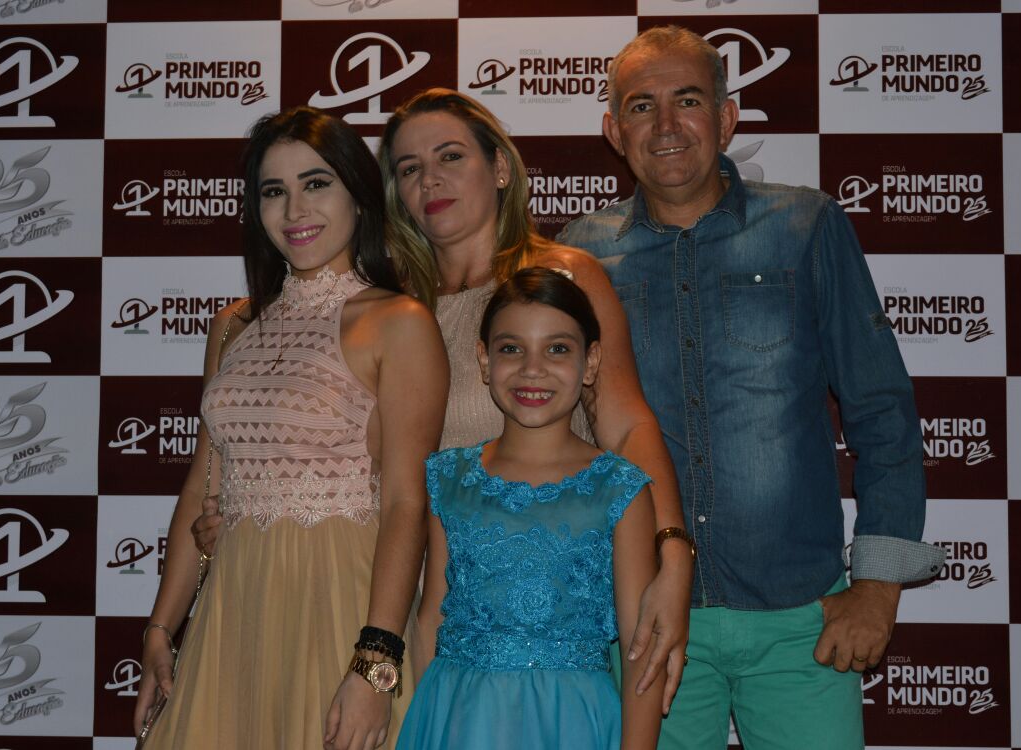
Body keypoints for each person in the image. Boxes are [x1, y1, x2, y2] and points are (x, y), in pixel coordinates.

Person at [195, 88, 695, 709]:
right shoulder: (388, 305)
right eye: (409, 168)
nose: (430, 179)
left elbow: (626, 428)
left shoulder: (563, 278)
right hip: (419, 610)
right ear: (393, 193)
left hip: (550, 617)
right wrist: (249, 512)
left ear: (500, 167)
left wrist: (673, 551)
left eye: (450, 156)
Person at [557, 26, 946, 749]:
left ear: (727, 117)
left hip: (802, 618)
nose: (666, 125)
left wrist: (877, 587)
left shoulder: (806, 225)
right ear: (614, 131)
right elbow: (562, 438)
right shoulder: (580, 255)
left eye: (687, 101)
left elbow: (881, 408)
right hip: (643, 617)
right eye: (641, 106)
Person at [133, 105, 448, 750]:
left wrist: (376, 662)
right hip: (234, 609)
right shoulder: (232, 326)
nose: (295, 209)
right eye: (274, 191)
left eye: (316, 183)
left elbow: (406, 502)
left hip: (340, 603)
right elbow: (201, 487)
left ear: (358, 194)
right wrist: (161, 628)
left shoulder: (398, 322)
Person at [397, 267, 663, 749]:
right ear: (484, 360)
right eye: (511, 349)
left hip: (573, 726)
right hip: (459, 721)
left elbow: (640, 649)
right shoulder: (449, 478)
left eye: (557, 349)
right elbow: (431, 617)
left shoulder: (620, 490)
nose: (532, 369)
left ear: (591, 362)